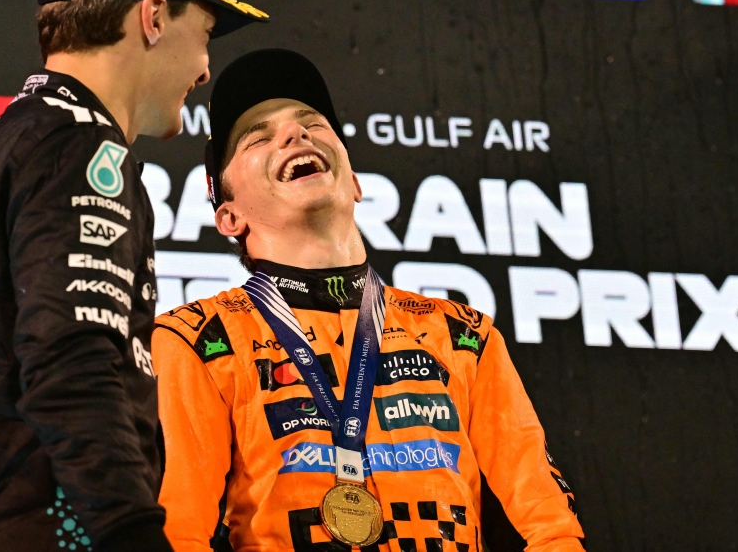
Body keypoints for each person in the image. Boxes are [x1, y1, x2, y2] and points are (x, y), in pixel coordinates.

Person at [0, 0, 267, 552]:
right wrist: (130, 535)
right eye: (205, 32)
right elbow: (71, 362)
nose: (206, 69)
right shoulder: (80, 148)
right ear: (154, 18)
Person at [152, 49, 585, 552]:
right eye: (260, 137)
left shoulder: (463, 335)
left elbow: (552, 529)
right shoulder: (199, 341)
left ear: (355, 183)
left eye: (311, 124)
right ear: (229, 217)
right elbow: (175, 535)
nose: (295, 136)